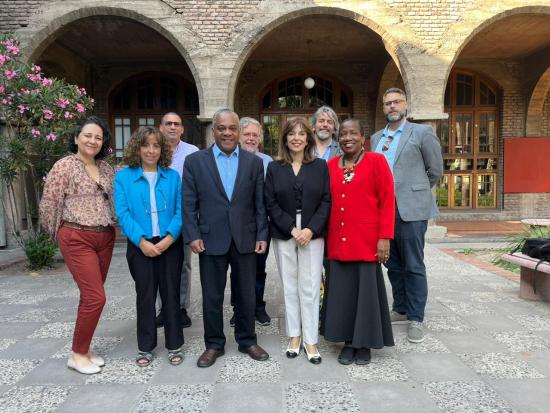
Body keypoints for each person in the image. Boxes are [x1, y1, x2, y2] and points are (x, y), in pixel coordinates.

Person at [182, 109, 269, 368]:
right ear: (214, 130)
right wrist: (192, 235)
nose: (227, 133)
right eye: (222, 128)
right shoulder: (196, 161)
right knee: (212, 296)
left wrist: (262, 234)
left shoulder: (254, 163)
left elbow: (260, 204)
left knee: (246, 295)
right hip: (210, 239)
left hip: (246, 237)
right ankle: (214, 344)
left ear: (239, 132)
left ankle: (247, 340)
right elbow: (188, 203)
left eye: (232, 128)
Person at [40, 116, 115, 375]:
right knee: (96, 297)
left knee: (90, 296)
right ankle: (77, 354)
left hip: (105, 237)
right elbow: (49, 203)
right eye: (87, 135)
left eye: (98, 137)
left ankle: (84, 347)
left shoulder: (106, 169)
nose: (92, 140)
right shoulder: (65, 166)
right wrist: (56, 236)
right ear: (76, 138)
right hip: (76, 235)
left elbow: (113, 201)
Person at [371, 87, 443, 343]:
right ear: (383, 107)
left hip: (410, 210)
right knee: (392, 263)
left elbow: (435, 170)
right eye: (387, 103)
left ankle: (416, 317)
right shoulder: (376, 138)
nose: (392, 106)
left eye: (396, 102)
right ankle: (400, 307)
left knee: (413, 264)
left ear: (405, 105)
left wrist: (414, 192)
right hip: (383, 211)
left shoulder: (422, 133)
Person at [323, 118, 395, 365]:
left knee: (365, 295)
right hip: (338, 243)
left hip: (366, 242)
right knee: (342, 294)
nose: (347, 138)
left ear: (363, 137)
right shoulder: (331, 165)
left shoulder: (377, 161)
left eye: (353, 133)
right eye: (342, 134)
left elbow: (387, 201)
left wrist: (384, 237)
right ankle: (347, 341)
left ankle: (363, 344)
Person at [114, 126, 184, 367]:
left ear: (162, 149)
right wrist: (142, 242)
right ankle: (145, 347)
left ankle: (175, 343)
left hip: (169, 243)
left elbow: (180, 211)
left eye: (156, 145)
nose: (151, 150)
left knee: (171, 294)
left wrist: (167, 239)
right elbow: (122, 213)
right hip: (139, 244)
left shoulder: (173, 176)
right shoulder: (123, 176)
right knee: (145, 296)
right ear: (137, 148)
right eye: (146, 145)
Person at [264, 117, 330, 364]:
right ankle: (294, 336)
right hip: (284, 233)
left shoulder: (320, 166)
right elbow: (270, 202)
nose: (296, 138)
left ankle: (310, 339)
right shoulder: (274, 167)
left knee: (310, 287)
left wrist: (311, 230)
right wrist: (292, 229)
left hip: (313, 233)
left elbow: (326, 201)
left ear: (308, 138)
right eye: (291, 133)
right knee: (289, 286)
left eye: (301, 134)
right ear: (284, 138)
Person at [155, 112, 199, 329]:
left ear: (182, 129)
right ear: (161, 127)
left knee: (183, 264)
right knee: (158, 263)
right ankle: (163, 308)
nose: (172, 127)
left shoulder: (193, 153)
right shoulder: (153, 150)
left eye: (177, 124)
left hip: (184, 216)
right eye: (168, 123)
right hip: (155, 217)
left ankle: (181, 308)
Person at [229, 117, 273, 327]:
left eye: (255, 135)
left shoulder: (267, 162)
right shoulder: (231, 160)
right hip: (235, 225)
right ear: (239, 136)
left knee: (258, 268)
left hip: (261, 225)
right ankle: (238, 309)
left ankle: (257, 306)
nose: (251, 138)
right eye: (247, 134)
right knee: (237, 269)